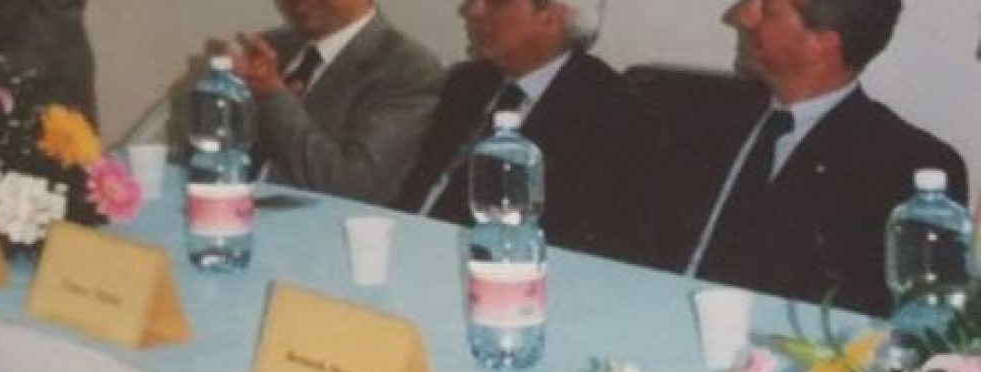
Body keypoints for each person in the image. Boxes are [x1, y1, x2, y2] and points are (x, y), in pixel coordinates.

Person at [654, 0, 968, 316]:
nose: (739, 16)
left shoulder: (904, 168)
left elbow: (907, 323)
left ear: (821, 45)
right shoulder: (688, 112)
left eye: (766, 9)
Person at [394, 0, 659, 260]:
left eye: (496, 3)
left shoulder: (610, 117)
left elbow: (579, 246)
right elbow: (418, 188)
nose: (472, 10)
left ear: (551, 17)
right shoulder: (468, 82)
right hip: (407, 246)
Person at [229, 0, 443, 206]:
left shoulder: (406, 68)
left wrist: (273, 96)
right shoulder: (271, 46)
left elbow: (351, 185)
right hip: (228, 208)